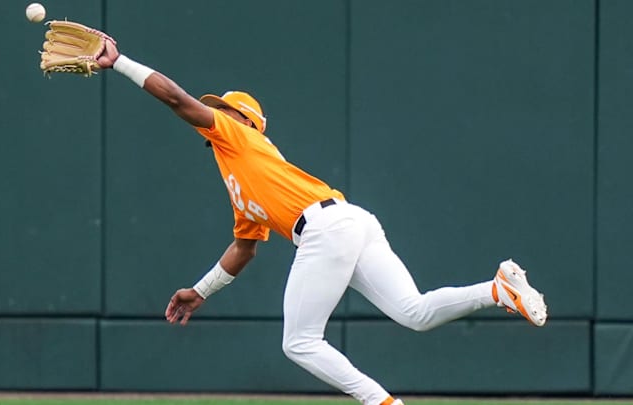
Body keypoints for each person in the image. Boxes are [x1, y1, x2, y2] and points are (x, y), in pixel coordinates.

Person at [95, 39, 548, 405]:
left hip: (325, 230)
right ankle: (497, 290)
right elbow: (244, 250)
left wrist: (120, 64)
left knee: (299, 342)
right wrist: (201, 291)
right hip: (352, 222)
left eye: (226, 110)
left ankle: (379, 403)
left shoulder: (239, 139)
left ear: (246, 123)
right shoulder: (241, 183)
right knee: (415, 313)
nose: (215, 112)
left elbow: (176, 99)